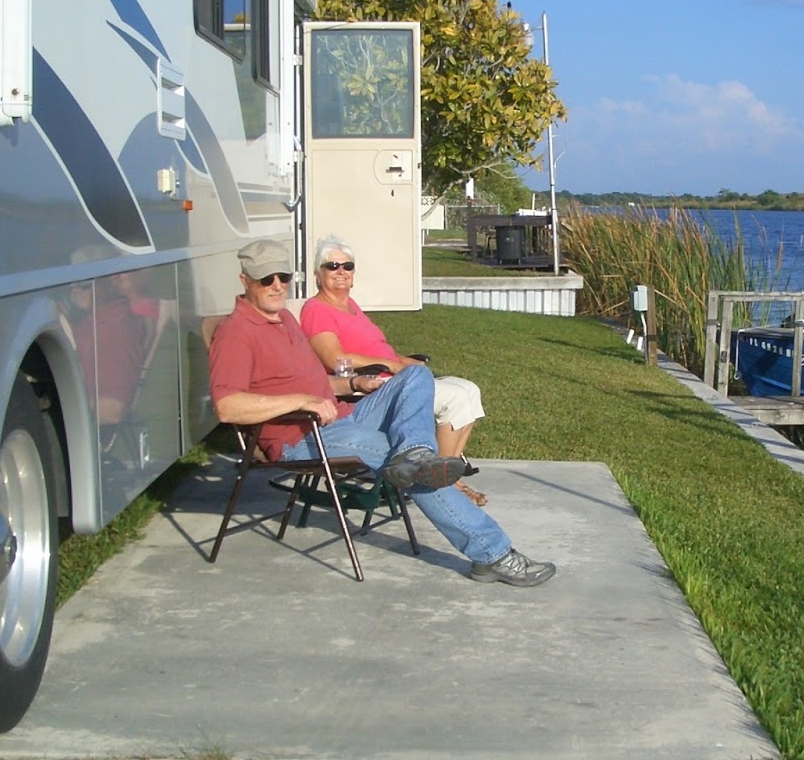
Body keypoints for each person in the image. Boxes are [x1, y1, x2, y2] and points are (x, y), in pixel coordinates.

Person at [207, 239, 555, 587]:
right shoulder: (236, 332)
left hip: (340, 416)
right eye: (266, 279)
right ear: (244, 281)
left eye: (283, 276)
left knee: (414, 374)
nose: (277, 286)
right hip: (299, 438)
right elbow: (227, 406)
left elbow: (318, 386)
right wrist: (302, 401)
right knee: (415, 470)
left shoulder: (283, 319)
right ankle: (493, 555)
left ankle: (415, 451)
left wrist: (356, 382)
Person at [298, 234, 490, 504]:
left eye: (347, 266)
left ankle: (448, 476)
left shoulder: (350, 306)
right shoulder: (316, 310)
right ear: (318, 274)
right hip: (371, 391)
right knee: (454, 398)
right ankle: (441, 487)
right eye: (332, 266)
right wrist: (392, 365)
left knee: (469, 390)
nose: (341, 272)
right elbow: (335, 359)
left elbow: (378, 347)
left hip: (396, 378)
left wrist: (404, 361)